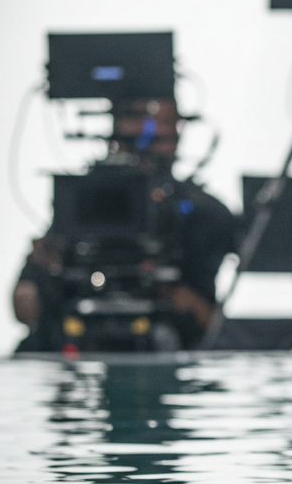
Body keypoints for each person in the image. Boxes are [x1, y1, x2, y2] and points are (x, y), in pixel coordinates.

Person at [13, 98, 237, 352]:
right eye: (139, 119)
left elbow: (211, 324)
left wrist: (167, 292)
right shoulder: (86, 202)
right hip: (77, 342)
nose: (151, 131)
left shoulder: (201, 214)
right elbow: (23, 306)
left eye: (164, 124)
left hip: (169, 346)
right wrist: (45, 273)